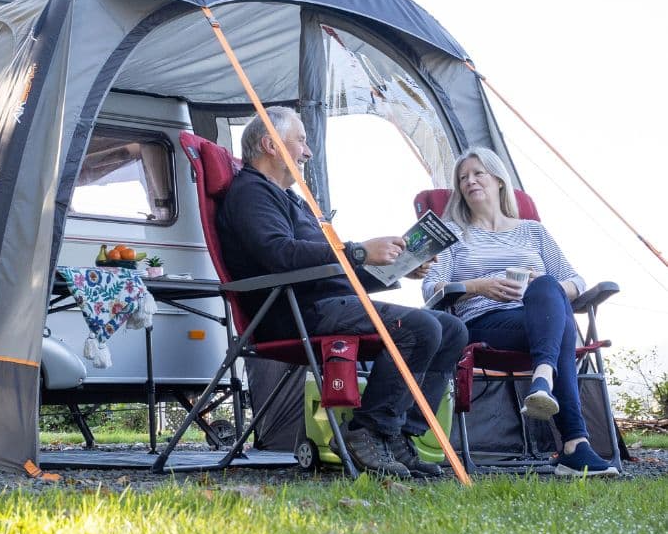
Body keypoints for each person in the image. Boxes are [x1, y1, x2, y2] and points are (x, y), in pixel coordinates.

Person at [217, 107, 468, 479]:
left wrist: (391, 270)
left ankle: (399, 435)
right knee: (419, 329)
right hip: (291, 311)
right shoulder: (252, 193)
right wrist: (359, 251)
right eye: (300, 140)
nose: (307, 152)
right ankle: (367, 431)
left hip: (324, 303)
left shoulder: (291, 200)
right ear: (271, 145)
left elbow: (331, 270)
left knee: (452, 330)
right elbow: (280, 255)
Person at [423, 146, 618, 477]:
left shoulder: (533, 231)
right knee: (561, 329)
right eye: (462, 177)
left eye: (478, 173)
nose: (470, 181)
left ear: (499, 180)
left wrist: (545, 285)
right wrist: (478, 285)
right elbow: (431, 289)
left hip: (537, 321)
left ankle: (544, 379)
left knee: (547, 287)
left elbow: (575, 280)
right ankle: (575, 444)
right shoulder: (452, 233)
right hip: (483, 323)